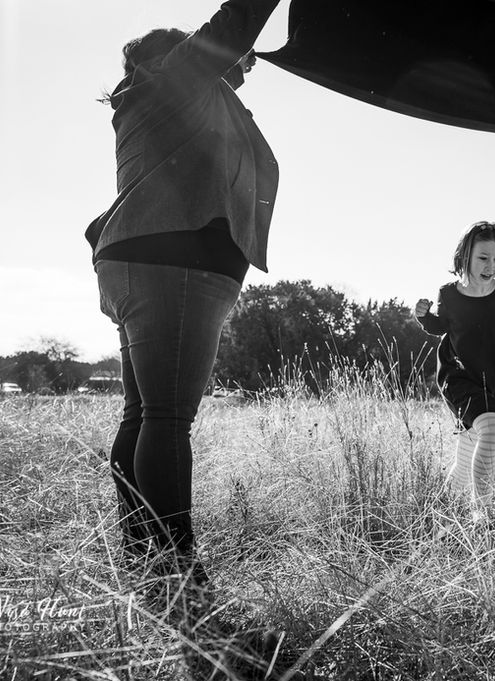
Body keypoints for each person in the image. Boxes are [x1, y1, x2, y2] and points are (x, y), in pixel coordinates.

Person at [85, 0, 282, 585]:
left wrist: (239, 61)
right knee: (168, 418)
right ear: (175, 55)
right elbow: (232, 27)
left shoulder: (156, 101)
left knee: (145, 414)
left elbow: (228, 62)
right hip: (174, 264)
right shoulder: (171, 80)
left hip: (140, 261)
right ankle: (179, 572)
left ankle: (143, 555)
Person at [415, 221, 495, 527]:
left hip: (490, 383)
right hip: (456, 376)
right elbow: (439, 326)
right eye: (483, 258)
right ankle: (484, 517)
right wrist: (423, 317)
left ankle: (439, 519)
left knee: (466, 458)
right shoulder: (449, 293)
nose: (491, 266)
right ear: (466, 256)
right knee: (492, 431)